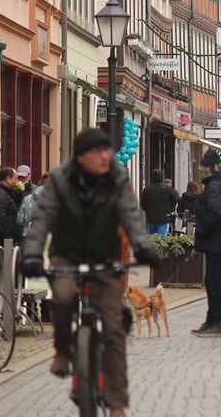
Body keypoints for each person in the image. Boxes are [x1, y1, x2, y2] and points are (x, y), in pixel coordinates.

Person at [20, 128, 159, 417]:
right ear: (82, 156)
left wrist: (143, 246)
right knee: (63, 295)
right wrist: (32, 254)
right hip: (66, 254)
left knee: (113, 328)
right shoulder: (59, 179)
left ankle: (117, 403)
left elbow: (130, 215)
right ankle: (62, 350)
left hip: (104, 258)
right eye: (99, 151)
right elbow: (42, 218)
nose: (105, 156)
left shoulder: (116, 177)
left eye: (107, 150)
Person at [191, 149, 221, 337]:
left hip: (216, 241)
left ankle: (218, 321)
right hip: (217, 240)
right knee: (211, 280)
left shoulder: (215, 187)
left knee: (214, 281)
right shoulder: (218, 185)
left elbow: (215, 214)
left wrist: (202, 230)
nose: (201, 171)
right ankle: (212, 319)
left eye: (203, 167)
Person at [140, 169, 177, 236]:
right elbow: (174, 201)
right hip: (164, 218)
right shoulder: (168, 189)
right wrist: (169, 209)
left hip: (151, 218)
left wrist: (148, 211)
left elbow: (143, 204)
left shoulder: (147, 189)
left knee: (152, 237)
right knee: (162, 239)